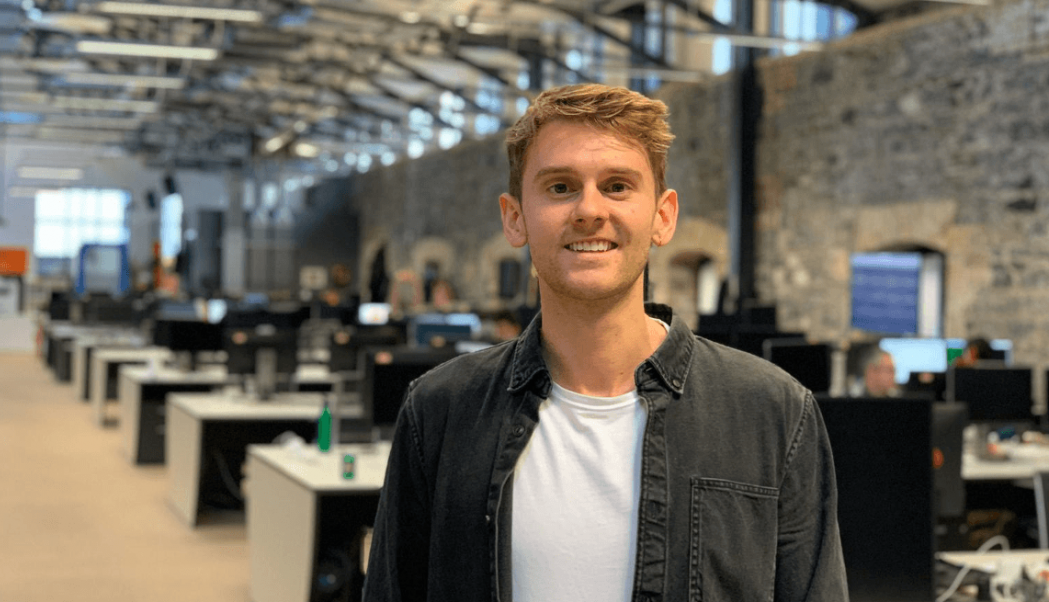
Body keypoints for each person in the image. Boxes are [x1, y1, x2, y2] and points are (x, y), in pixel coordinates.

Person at [362, 84, 847, 602]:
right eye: (559, 187)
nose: (589, 210)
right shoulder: (440, 412)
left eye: (617, 186)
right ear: (514, 217)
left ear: (663, 216)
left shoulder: (772, 413)